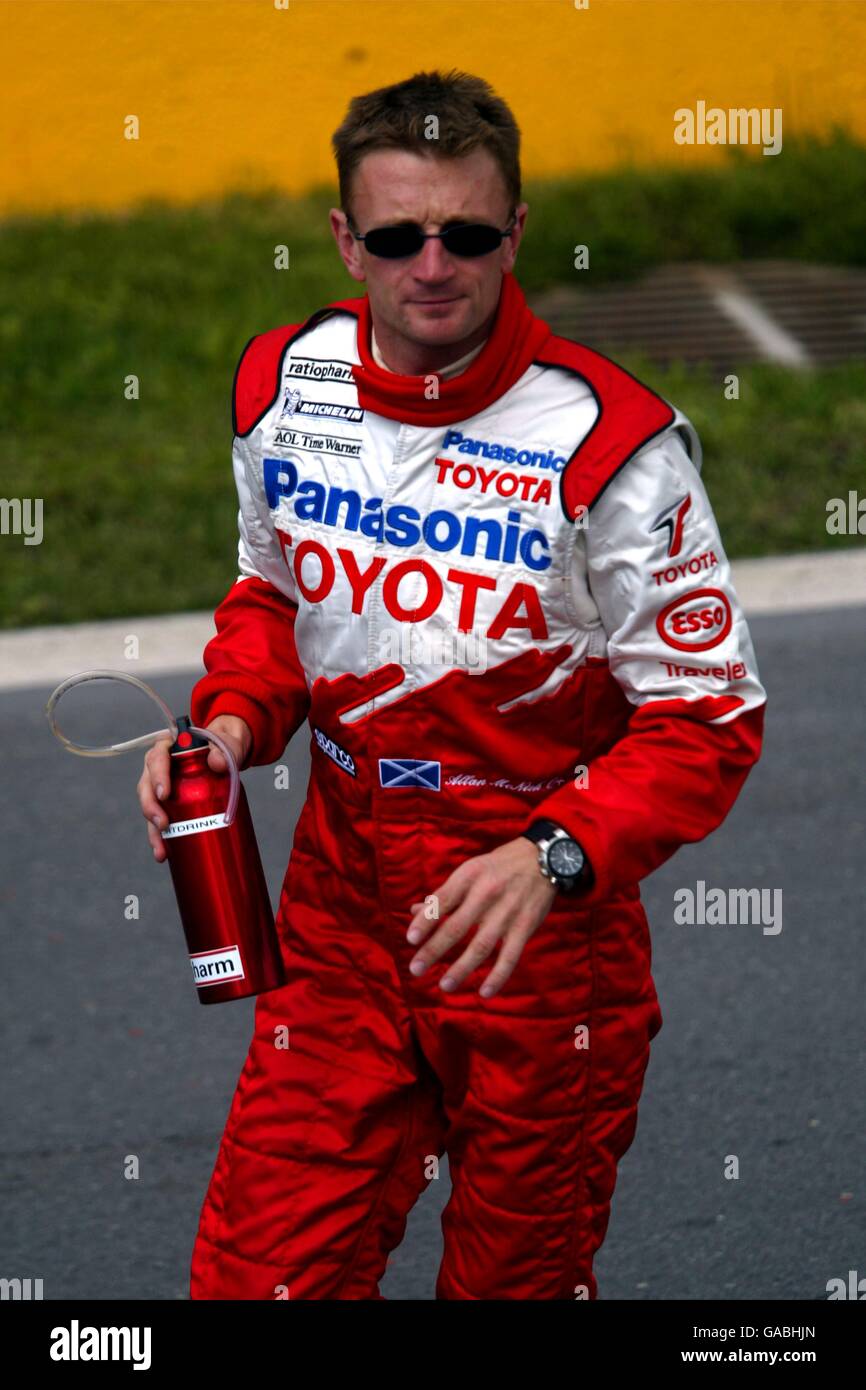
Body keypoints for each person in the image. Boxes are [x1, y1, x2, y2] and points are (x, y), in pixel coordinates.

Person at [137, 69, 767, 1300]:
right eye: (397, 236)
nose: (434, 265)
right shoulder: (287, 384)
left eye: (467, 233)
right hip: (341, 918)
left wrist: (557, 854)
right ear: (344, 241)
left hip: (535, 943)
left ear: (515, 231)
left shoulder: (611, 444)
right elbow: (275, 593)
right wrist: (225, 723)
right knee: (257, 1278)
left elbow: (708, 717)